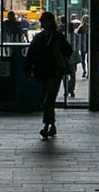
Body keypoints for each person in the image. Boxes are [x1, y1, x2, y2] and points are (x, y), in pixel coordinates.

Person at [26, 10, 73, 139]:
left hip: (47, 71)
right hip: (52, 71)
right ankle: (51, 125)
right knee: (47, 100)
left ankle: (47, 126)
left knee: (47, 100)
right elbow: (68, 50)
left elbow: (31, 54)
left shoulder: (40, 38)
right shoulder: (56, 37)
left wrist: (28, 68)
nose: (43, 23)